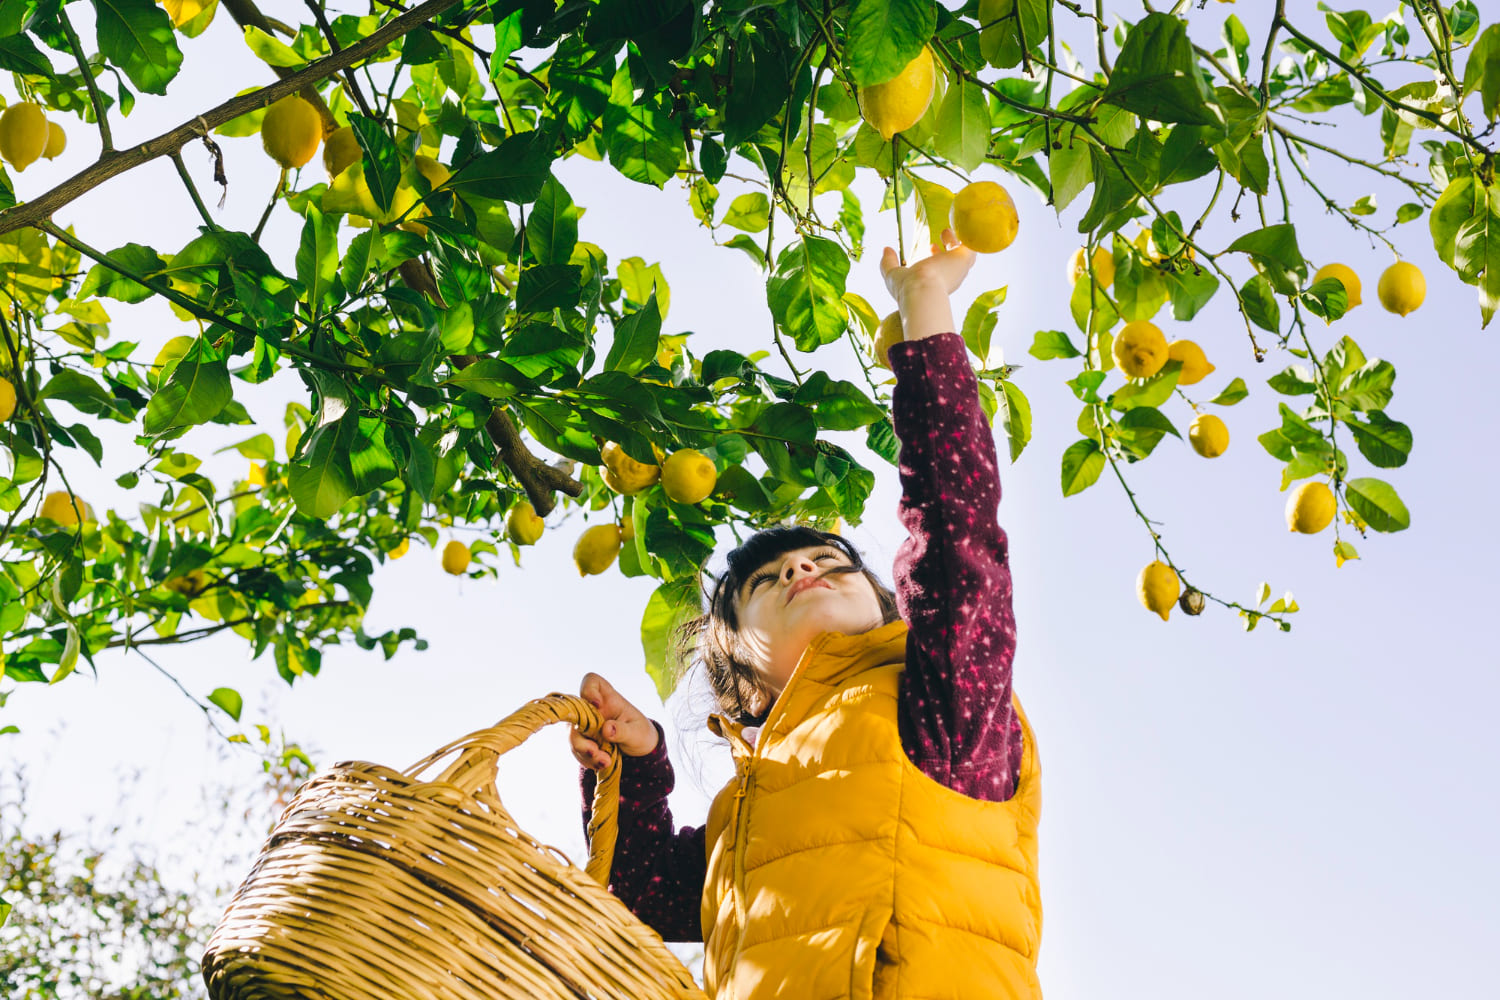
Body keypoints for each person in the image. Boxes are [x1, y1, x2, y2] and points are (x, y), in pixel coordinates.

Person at [570, 228, 1042, 999]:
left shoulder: (936, 708)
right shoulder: (742, 815)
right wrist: (642, 765)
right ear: (739, 680)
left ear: (893, 607)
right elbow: (641, 898)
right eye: (768, 581)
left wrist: (925, 307)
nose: (801, 566)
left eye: (830, 563)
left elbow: (959, 536)